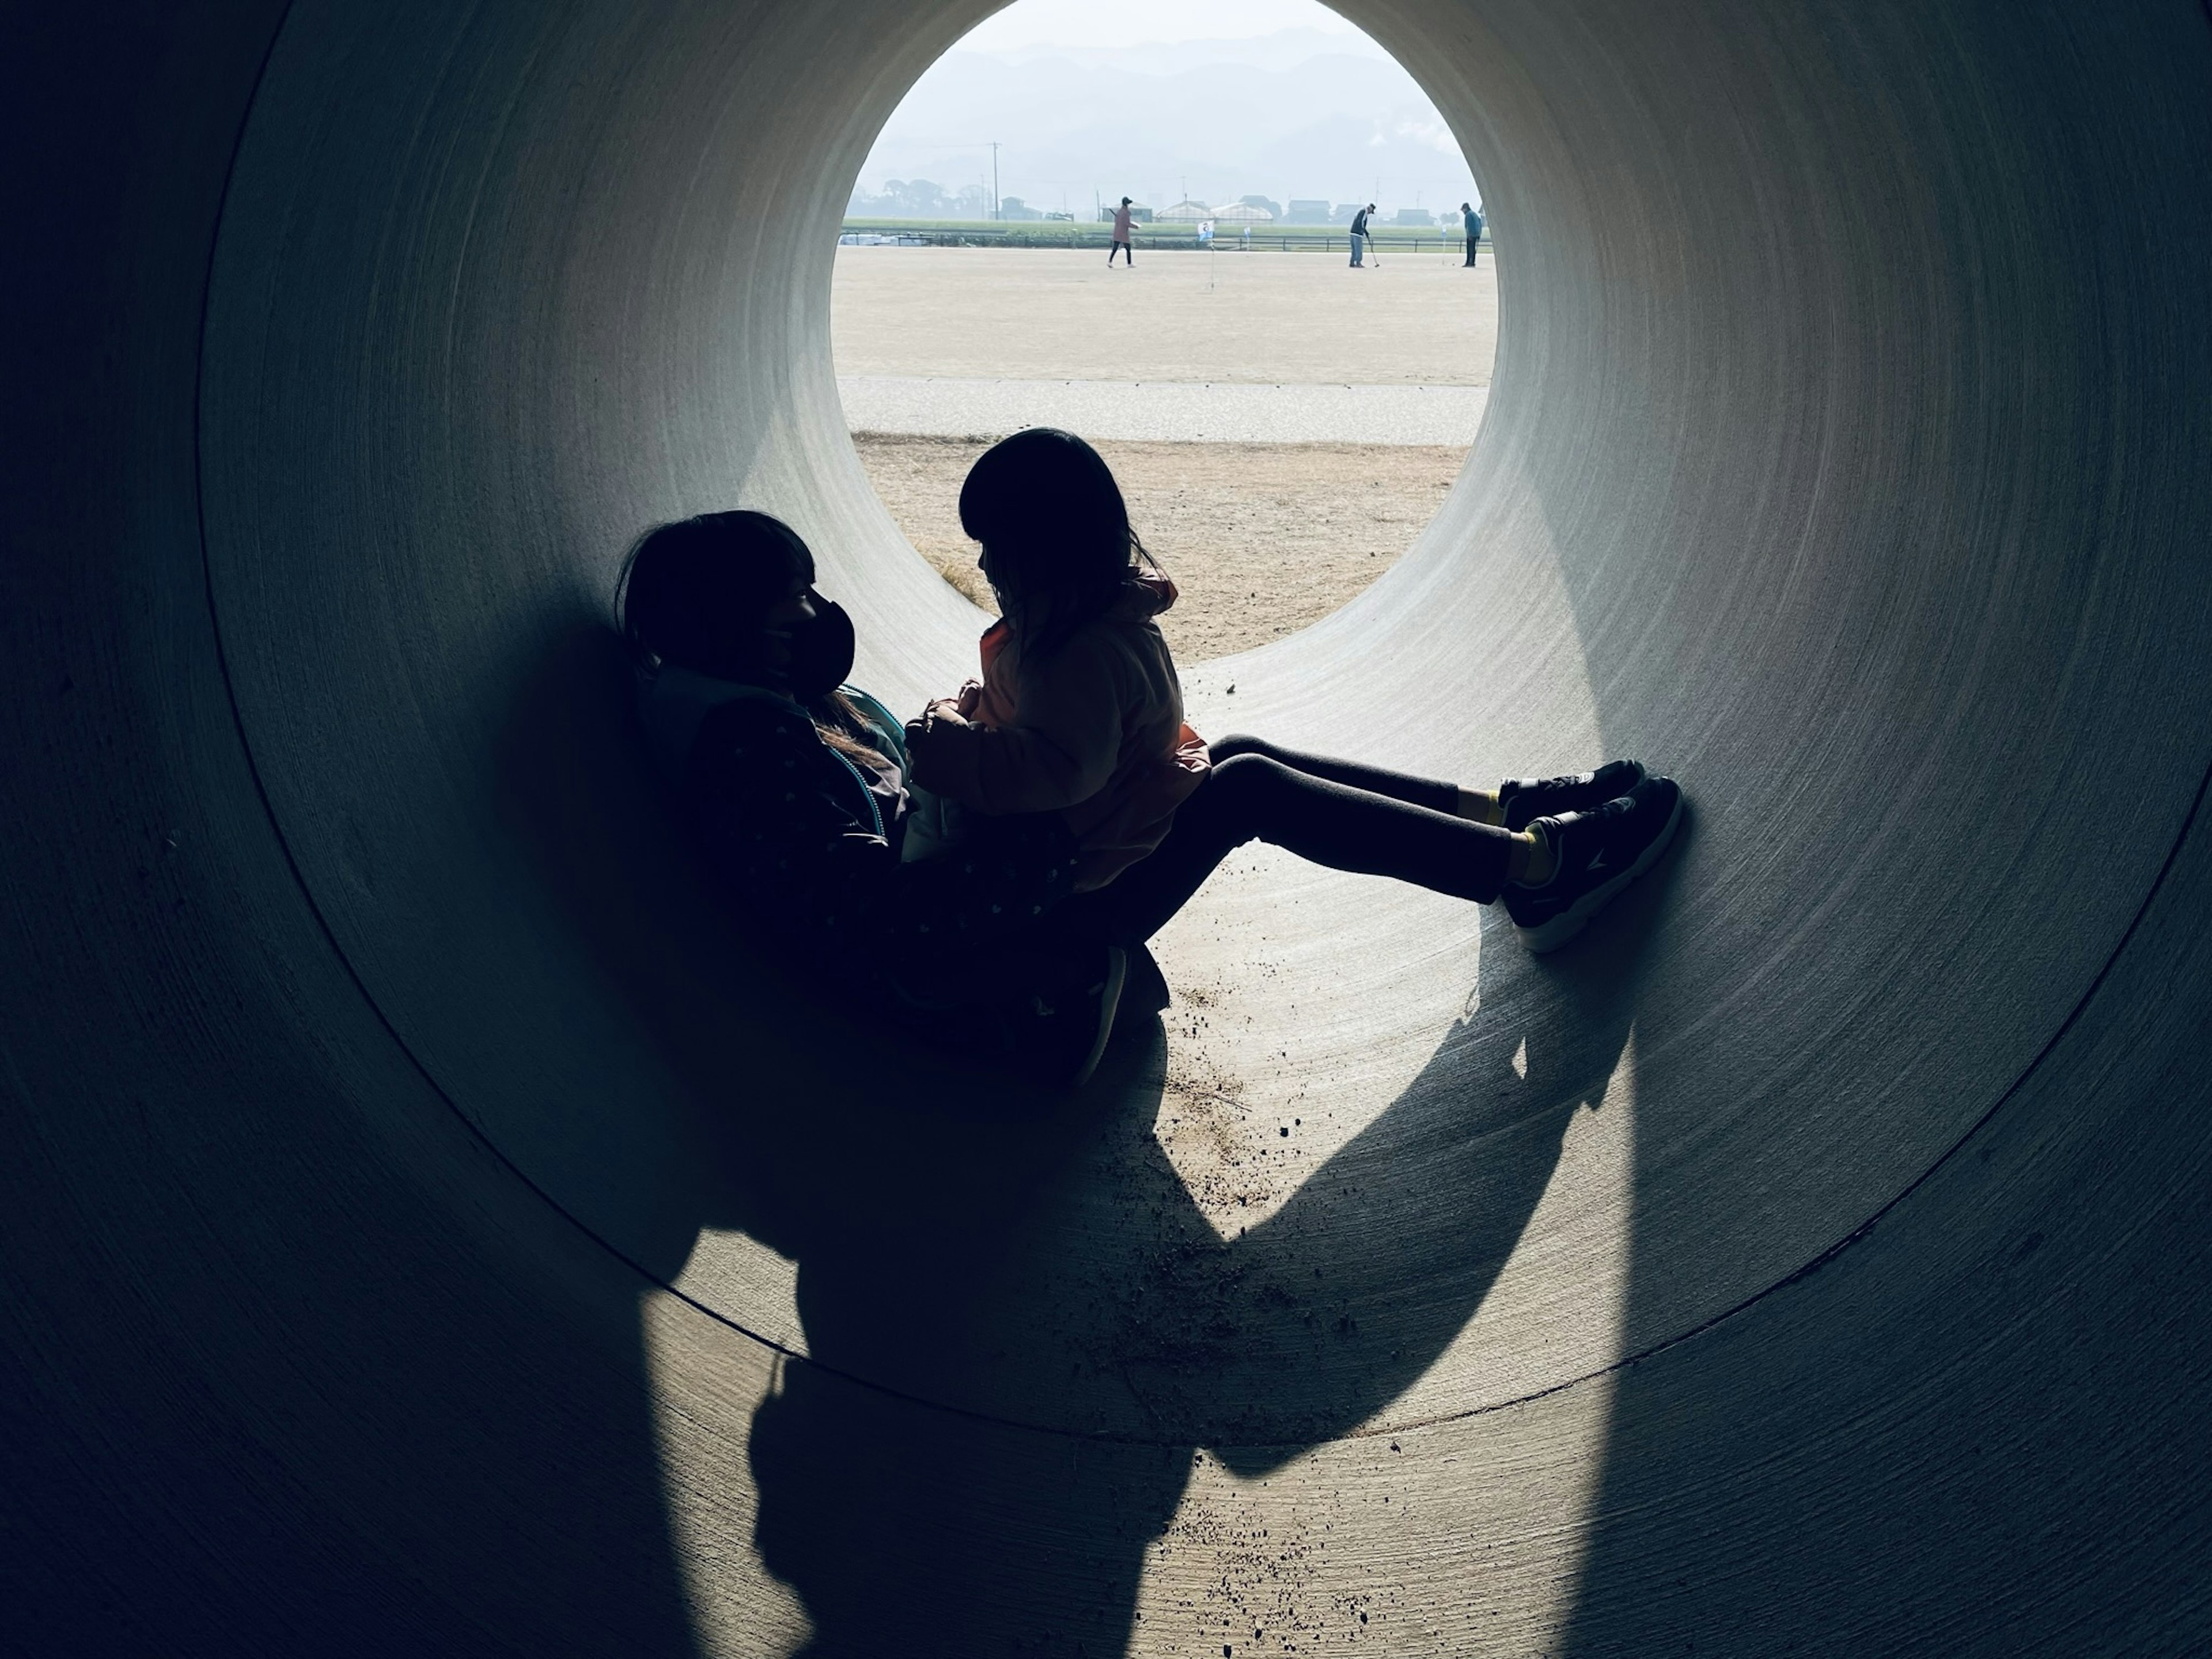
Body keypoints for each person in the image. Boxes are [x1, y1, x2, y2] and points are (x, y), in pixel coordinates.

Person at [906, 428, 1684, 976]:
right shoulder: (1086, 625)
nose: (982, 565)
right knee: (1243, 780)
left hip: (1072, 892)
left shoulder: (1078, 653)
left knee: (1241, 761)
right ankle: (1518, 850)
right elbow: (1049, 758)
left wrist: (955, 745)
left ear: (1047, 555)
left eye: (996, 551)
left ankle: (1517, 847)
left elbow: (1054, 773)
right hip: (1062, 898)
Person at [619, 509, 1128, 1084]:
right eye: (795, 594)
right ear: (729, 616)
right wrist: (1057, 841)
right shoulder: (748, 757)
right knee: (1238, 779)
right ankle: (1060, 1004)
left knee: (1226, 767)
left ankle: (1099, 967)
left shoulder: (776, 703)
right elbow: (888, 920)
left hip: (971, 882)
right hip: (941, 977)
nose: (817, 610)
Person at [1108, 196, 1135, 267]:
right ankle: (1129, 263)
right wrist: (1135, 227)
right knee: (1128, 248)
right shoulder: (1126, 213)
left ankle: (1110, 261)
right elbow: (1127, 223)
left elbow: (1117, 221)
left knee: (1115, 248)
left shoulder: (1119, 212)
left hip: (1117, 232)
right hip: (1123, 233)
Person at [1349, 203, 1376, 267]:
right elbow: (1361, 223)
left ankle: (1352, 263)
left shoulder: (1361, 211)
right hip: (1358, 233)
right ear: (1371, 209)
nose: (1370, 213)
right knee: (1359, 249)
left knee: (1354, 249)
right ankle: (1358, 263)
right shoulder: (1364, 212)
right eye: (1371, 212)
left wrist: (1366, 232)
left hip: (1352, 232)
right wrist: (1363, 231)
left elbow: (1360, 222)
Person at [1462, 200, 1484, 268]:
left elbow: (1468, 226)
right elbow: (1480, 224)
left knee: (1470, 249)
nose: (1463, 212)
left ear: (1465, 209)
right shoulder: (1475, 214)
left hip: (1471, 235)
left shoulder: (1468, 215)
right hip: (1477, 234)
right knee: (1473, 249)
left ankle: (1469, 262)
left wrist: (1469, 235)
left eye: (1463, 210)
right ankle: (1472, 262)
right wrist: (1479, 234)